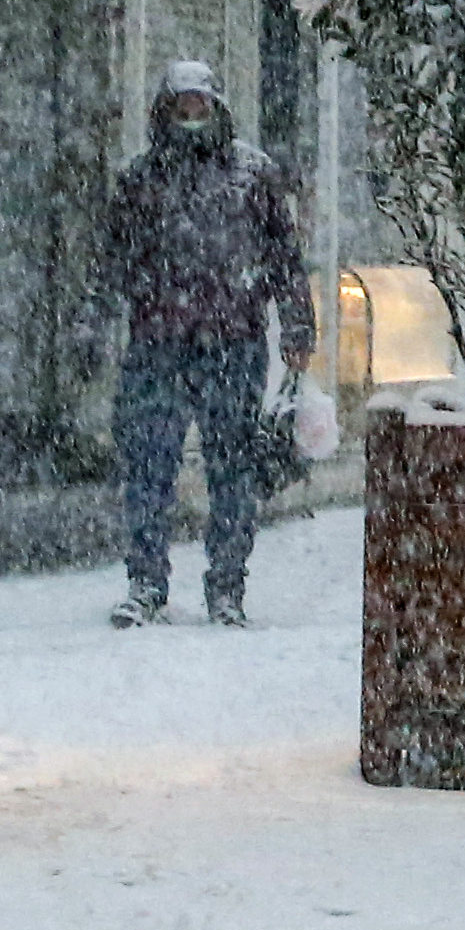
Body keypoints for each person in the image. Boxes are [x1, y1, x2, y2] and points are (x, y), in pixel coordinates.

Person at [107, 59, 311, 628]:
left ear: (216, 106)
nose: (192, 114)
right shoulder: (140, 178)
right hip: (159, 345)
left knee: (232, 471)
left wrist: (298, 328)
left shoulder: (253, 175)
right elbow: (114, 260)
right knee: (149, 467)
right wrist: (137, 300)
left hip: (233, 343)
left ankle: (227, 588)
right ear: (166, 110)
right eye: (182, 103)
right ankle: (146, 583)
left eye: (200, 103)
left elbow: (285, 260)